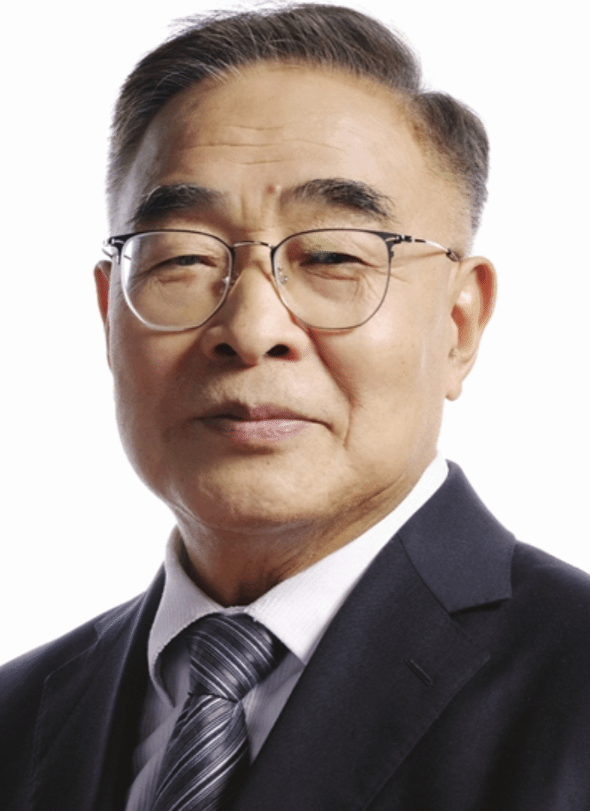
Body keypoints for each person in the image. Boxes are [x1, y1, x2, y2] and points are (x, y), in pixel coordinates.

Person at [1, 5, 589, 810]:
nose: (250, 330)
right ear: (110, 315)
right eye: (183, 259)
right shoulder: (18, 716)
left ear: (459, 324)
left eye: (334, 255)